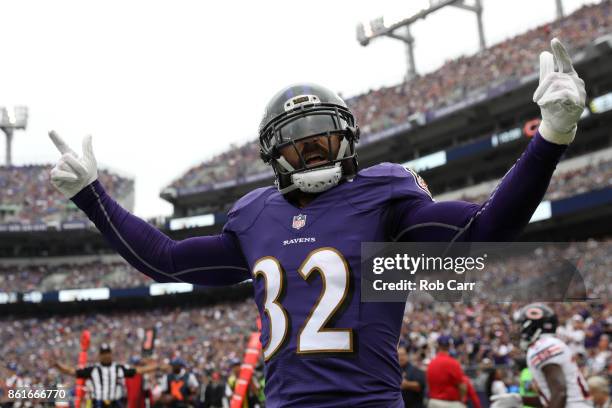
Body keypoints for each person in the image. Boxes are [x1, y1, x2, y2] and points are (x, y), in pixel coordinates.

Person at [47, 38, 586, 407]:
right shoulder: (254, 215)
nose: (311, 153)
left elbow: (486, 233)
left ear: (346, 139)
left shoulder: (383, 196)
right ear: (274, 155)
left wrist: (550, 138)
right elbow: (164, 261)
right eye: (296, 145)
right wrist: (92, 197)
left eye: (321, 139)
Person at [490, 303, 591, 408]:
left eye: (522, 325)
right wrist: (520, 400)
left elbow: (560, 394)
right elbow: (550, 399)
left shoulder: (542, 346)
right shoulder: (548, 343)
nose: (520, 331)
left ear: (532, 326)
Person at [53, 344, 159, 408]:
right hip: (99, 403)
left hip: (115, 403)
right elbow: (73, 372)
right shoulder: (93, 369)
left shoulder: (118, 368)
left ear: (111, 354)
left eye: (107, 353)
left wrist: (155, 367)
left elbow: (137, 371)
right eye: (103, 353)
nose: (106, 355)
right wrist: (58, 366)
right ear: (100, 355)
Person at [427, 335, 467, 408]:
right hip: (450, 403)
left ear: (438, 346)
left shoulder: (431, 363)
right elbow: (462, 387)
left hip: (433, 402)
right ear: (449, 346)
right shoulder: (453, 363)